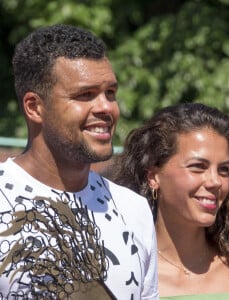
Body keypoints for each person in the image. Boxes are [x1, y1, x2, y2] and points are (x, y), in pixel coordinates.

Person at [0, 24, 158, 299]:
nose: (106, 108)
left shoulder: (133, 210)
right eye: (85, 95)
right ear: (34, 107)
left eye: (110, 93)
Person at [112, 102, 229, 299]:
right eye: (198, 167)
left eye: (223, 170)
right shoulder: (125, 275)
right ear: (153, 176)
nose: (215, 181)